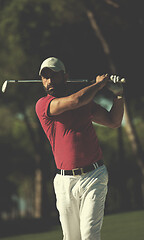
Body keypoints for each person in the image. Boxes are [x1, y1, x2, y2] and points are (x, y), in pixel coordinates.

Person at [35, 57, 124, 240]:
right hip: (64, 182)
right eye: (45, 77)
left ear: (65, 77)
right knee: (71, 238)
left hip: (94, 176)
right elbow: (76, 100)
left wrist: (118, 95)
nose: (49, 81)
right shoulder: (43, 105)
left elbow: (114, 122)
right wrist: (98, 85)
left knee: (89, 235)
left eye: (54, 76)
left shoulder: (86, 103)